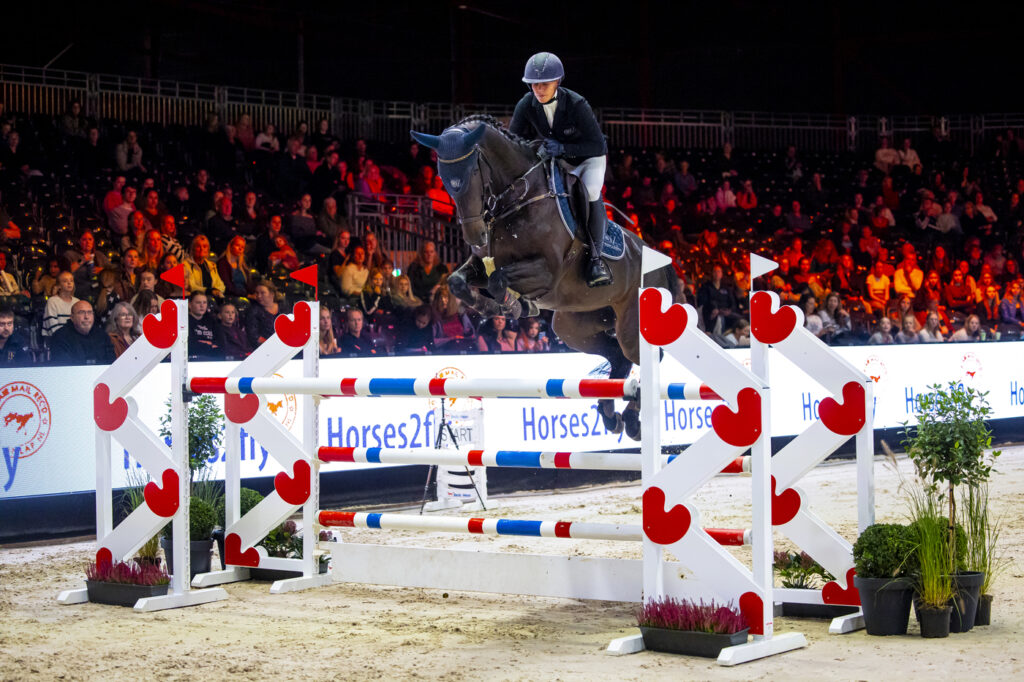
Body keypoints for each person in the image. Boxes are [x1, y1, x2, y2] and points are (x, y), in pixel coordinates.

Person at [509, 52, 611, 287]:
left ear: (557, 82)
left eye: (545, 83)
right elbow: (514, 140)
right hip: (559, 160)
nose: (539, 89)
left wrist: (563, 148)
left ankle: (597, 260)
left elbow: (598, 144)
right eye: (534, 84)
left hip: (589, 159)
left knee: (591, 191)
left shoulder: (577, 104)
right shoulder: (526, 104)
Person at [50, 300, 115, 365]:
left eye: (89, 312)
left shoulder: (103, 336)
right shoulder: (60, 337)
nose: (86, 317)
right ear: (72, 317)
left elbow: (112, 365)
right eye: (81, 312)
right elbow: (63, 370)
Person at [430, 284, 475, 352]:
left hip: (463, 351)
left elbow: (472, 336)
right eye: (441, 297)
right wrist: (452, 339)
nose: (443, 300)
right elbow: (433, 341)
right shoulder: (434, 317)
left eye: (446, 297)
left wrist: (461, 339)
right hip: (443, 352)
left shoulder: (461, 315)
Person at [185, 291, 223, 358]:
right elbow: (190, 346)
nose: (202, 305)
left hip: (212, 360)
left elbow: (221, 344)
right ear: (189, 305)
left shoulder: (212, 321)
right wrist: (210, 345)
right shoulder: (184, 321)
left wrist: (202, 344)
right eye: (198, 302)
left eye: (204, 302)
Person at [43, 271, 79, 337]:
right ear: (59, 286)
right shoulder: (52, 301)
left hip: (74, 340)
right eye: (65, 281)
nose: (69, 283)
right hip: (57, 340)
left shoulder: (77, 302)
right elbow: (52, 328)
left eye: (71, 280)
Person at [246, 281, 280, 347]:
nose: (258, 296)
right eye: (257, 293)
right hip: (265, 347)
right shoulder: (253, 311)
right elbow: (254, 335)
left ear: (272, 294)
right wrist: (272, 345)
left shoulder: (284, 306)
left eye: (262, 293)